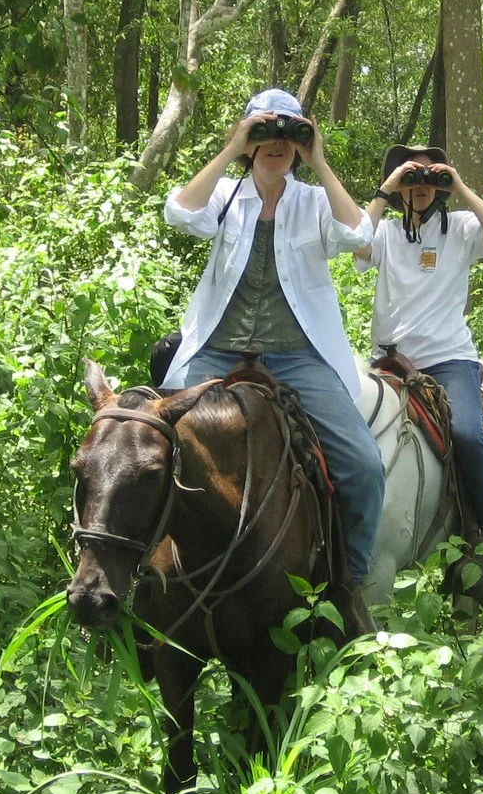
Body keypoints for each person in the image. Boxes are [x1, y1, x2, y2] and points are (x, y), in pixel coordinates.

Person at [161, 87, 384, 619]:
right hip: (217, 348)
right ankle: (147, 581)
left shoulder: (311, 202)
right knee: (152, 446)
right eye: (264, 133)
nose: (276, 143)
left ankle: (349, 584)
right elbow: (178, 212)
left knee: (364, 466)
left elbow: (359, 233)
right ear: (248, 142)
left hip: (296, 355)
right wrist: (231, 147)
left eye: (289, 134)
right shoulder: (226, 196)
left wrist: (320, 161)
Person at [355, 145, 483, 550]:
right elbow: (355, 242)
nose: (421, 185)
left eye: (430, 177)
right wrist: (386, 189)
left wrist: (458, 184)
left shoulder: (459, 227)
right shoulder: (387, 233)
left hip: (447, 359)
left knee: (465, 431)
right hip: (388, 362)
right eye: (412, 177)